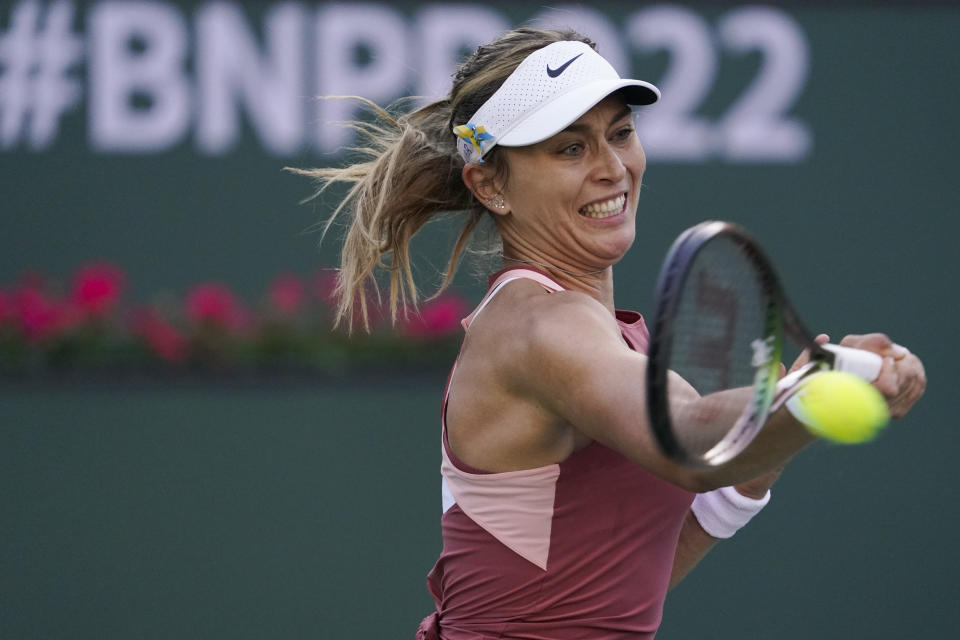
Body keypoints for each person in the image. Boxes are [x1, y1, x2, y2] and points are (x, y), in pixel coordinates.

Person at [293, 27, 926, 640]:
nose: (611, 167)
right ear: (490, 184)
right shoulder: (540, 328)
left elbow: (619, 582)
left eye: (620, 133)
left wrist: (788, 408)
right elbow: (692, 436)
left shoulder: (605, 339)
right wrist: (812, 393)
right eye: (571, 148)